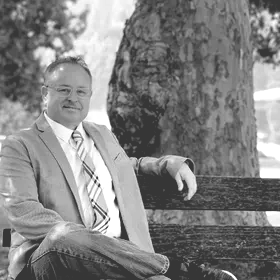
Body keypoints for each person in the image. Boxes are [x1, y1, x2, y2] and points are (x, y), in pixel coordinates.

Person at [0, 56, 238, 280]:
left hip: (119, 262)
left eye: (81, 91)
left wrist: (167, 164)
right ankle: (181, 269)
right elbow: (24, 211)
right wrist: (86, 242)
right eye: (64, 90)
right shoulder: (20, 145)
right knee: (63, 235)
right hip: (52, 262)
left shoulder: (101, 134)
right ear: (45, 93)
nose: (73, 97)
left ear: (89, 96)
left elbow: (127, 168)